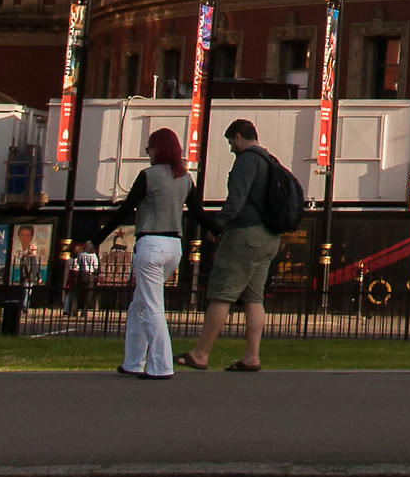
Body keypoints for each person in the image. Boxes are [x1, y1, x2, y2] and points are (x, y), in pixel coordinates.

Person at [97, 126, 197, 379]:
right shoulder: (185, 178)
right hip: (174, 246)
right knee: (139, 305)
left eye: (148, 149)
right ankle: (133, 361)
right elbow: (198, 213)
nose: (148, 153)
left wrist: (98, 237)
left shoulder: (148, 176)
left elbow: (125, 209)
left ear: (157, 149)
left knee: (152, 306)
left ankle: (162, 366)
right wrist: (219, 230)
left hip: (150, 243)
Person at [178, 117, 277, 372]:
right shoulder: (269, 160)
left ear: (239, 137)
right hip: (269, 236)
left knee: (222, 293)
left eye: (231, 142)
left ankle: (201, 353)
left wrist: (217, 226)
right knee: (254, 298)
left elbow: (236, 199)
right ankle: (252, 356)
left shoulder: (247, 160)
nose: (232, 148)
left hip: (245, 234)